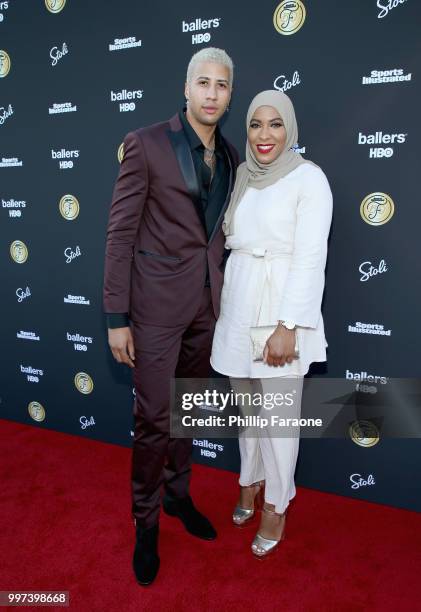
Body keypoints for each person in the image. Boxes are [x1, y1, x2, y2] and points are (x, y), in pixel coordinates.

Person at [103, 47, 239, 585]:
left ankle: (180, 497)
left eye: (222, 85)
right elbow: (119, 235)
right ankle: (146, 524)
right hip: (155, 310)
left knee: (187, 415)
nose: (211, 93)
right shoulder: (145, 144)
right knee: (154, 421)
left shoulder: (229, 156)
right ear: (186, 89)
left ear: (230, 95)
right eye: (202, 83)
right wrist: (117, 316)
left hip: (207, 309)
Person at [210, 89, 333, 557]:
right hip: (239, 301)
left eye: (275, 124)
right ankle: (250, 480)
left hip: (281, 306)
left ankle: (277, 504)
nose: (265, 135)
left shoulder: (309, 179)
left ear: (290, 128)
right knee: (248, 410)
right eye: (256, 125)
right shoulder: (243, 175)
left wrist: (289, 324)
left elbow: (310, 258)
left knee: (279, 419)